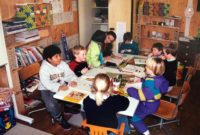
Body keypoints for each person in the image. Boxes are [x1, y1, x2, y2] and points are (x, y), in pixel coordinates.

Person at [38, 45, 78, 130]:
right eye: (56, 56)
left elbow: (70, 74)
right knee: (51, 105)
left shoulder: (62, 64)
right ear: (49, 59)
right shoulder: (44, 68)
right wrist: (58, 87)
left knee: (74, 94)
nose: (59, 58)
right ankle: (59, 117)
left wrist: (73, 80)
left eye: (59, 55)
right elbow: (46, 83)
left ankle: (68, 108)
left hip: (61, 85)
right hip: (46, 89)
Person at [127, 57, 169, 135]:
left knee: (133, 118)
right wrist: (142, 81)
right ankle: (134, 125)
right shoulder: (158, 77)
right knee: (134, 109)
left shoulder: (151, 83)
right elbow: (150, 83)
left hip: (148, 106)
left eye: (147, 66)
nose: (145, 67)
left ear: (153, 70)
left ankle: (145, 132)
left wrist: (129, 89)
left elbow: (141, 96)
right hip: (152, 103)